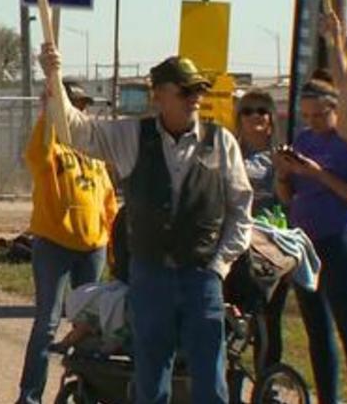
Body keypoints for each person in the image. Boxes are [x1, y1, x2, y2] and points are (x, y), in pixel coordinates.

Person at [39, 46, 253, 404]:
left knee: (209, 378)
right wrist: (53, 76)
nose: (194, 99)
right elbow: (75, 132)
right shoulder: (133, 137)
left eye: (198, 90)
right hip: (150, 275)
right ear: (159, 96)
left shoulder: (221, 142)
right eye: (185, 91)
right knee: (151, 376)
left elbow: (240, 212)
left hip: (202, 276)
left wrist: (219, 266)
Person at [14, 80, 118, 404]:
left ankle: (87, 391)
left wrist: (113, 243)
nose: (81, 112)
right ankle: (30, 396)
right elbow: (36, 155)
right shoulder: (49, 146)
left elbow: (108, 201)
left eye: (83, 106)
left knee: (89, 325)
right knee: (47, 321)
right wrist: (48, 112)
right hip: (54, 245)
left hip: (93, 248)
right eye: (74, 105)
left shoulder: (94, 154)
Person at [275, 76, 347, 402]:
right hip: (305, 240)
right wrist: (284, 172)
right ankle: (328, 397)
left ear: (335, 110)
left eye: (319, 116)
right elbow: (286, 196)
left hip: (341, 238)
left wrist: (318, 174)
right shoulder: (303, 140)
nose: (313, 123)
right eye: (307, 116)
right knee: (317, 328)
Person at [233, 89, 289, 370]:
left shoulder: (280, 155)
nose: (255, 116)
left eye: (262, 111)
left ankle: (269, 380)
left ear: (271, 119)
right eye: (247, 110)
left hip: (270, 245)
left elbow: (289, 200)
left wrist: (281, 174)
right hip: (234, 243)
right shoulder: (229, 152)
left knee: (268, 317)